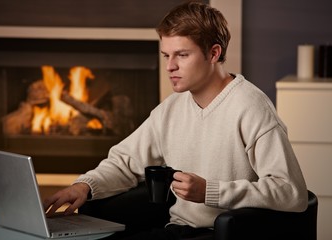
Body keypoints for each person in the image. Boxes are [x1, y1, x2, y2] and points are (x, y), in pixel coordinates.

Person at [44, 1, 308, 239]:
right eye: (166, 56)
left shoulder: (251, 107)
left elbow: (290, 193)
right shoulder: (172, 107)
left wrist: (211, 192)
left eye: (182, 55)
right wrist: (84, 186)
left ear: (214, 53)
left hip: (223, 233)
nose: (170, 66)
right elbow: (126, 161)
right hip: (175, 229)